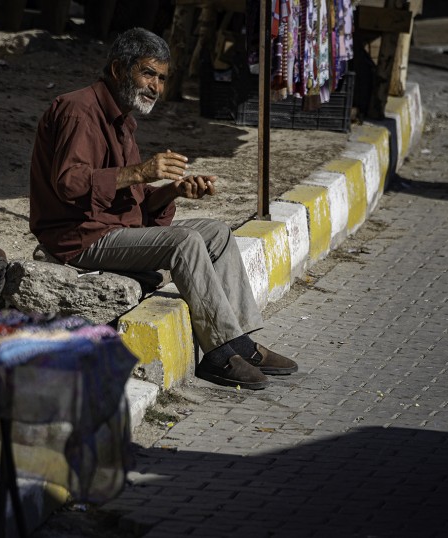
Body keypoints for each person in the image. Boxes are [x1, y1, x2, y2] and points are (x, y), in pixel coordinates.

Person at [29, 28, 297, 390]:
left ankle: (242, 343)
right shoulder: (79, 111)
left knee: (216, 232)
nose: (155, 86)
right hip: (80, 238)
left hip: (114, 229)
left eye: (162, 78)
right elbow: (70, 183)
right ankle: (219, 354)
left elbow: (132, 201)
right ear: (118, 69)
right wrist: (141, 171)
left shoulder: (123, 120)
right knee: (184, 241)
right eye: (148, 73)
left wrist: (173, 191)